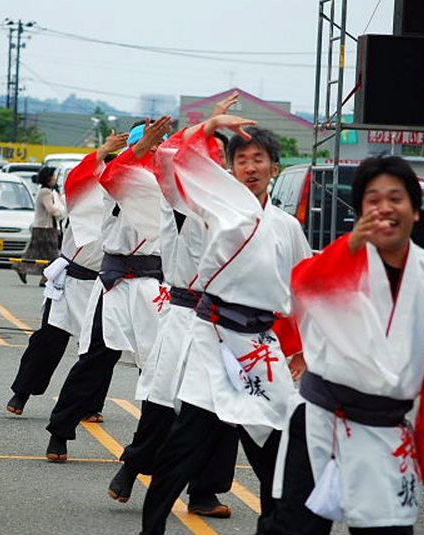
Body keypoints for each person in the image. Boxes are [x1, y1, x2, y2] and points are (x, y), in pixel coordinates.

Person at [274, 155, 424, 535]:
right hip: (320, 420)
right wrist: (352, 245)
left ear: (416, 211)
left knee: (388, 529)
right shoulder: (337, 263)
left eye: (396, 198)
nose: (384, 208)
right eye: (373, 200)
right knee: (295, 528)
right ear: (360, 212)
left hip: (387, 428)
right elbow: (303, 289)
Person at [140, 117, 311, 535]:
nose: (251, 167)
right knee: (185, 440)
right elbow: (170, 162)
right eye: (241, 160)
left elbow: (303, 289)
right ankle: (151, 528)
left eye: (259, 159)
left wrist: (301, 350)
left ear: (275, 166)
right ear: (229, 170)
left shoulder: (287, 227)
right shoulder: (209, 206)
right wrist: (211, 123)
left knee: (274, 441)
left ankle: (274, 526)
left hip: (258, 345)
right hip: (212, 336)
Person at [109, 94, 242, 519]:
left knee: (223, 410)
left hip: (228, 320)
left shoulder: (239, 207)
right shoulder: (180, 199)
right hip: (187, 314)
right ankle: (132, 466)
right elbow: (169, 157)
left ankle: (204, 492)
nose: (215, 167)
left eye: (221, 161)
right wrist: (205, 125)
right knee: (164, 403)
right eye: (209, 158)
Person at [44, 118, 171, 462]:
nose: (155, 150)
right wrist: (139, 148)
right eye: (148, 144)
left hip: (154, 283)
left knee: (159, 366)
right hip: (116, 283)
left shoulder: (167, 182)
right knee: (95, 360)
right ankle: (60, 431)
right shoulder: (116, 176)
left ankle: (148, 445)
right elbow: (106, 175)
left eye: (159, 144)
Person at [6, 132, 128, 417]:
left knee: (102, 351)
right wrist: (101, 152)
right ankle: (21, 392)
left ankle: (90, 405)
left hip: (104, 285)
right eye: (108, 167)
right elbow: (79, 176)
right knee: (48, 341)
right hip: (72, 279)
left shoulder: (128, 198)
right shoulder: (84, 195)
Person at [14, 166, 67, 285]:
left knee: (37, 253)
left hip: (44, 227)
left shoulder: (48, 191)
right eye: (53, 177)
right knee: (52, 254)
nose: (55, 179)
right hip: (45, 228)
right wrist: (63, 213)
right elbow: (51, 209)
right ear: (48, 179)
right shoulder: (45, 192)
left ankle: (24, 268)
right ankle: (44, 277)